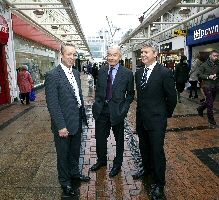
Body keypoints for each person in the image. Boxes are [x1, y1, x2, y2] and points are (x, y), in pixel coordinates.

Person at [45, 43, 90, 197]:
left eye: (74, 54)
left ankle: (74, 174)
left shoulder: (76, 73)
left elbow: (78, 96)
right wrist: (60, 126)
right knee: (63, 155)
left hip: (76, 120)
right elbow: (52, 103)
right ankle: (65, 182)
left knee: (74, 152)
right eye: (69, 54)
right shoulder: (53, 76)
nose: (72, 57)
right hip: (63, 124)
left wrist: (83, 116)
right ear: (62, 54)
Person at [134, 40, 177, 199]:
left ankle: (160, 183)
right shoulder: (139, 73)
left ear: (155, 54)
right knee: (144, 147)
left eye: (146, 52)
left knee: (157, 151)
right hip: (142, 119)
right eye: (142, 52)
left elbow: (172, 98)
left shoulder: (165, 73)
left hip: (157, 120)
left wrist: (164, 115)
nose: (143, 55)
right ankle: (147, 169)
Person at [90, 44, 135, 177]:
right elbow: (98, 89)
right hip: (102, 111)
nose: (111, 57)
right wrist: (97, 103)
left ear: (120, 57)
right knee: (100, 138)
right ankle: (102, 160)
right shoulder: (102, 70)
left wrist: (124, 109)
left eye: (114, 55)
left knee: (119, 140)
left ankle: (117, 164)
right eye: (109, 55)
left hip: (117, 112)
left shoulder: (127, 73)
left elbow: (131, 94)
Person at [197, 50, 219, 125]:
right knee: (210, 102)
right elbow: (199, 74)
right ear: (210, 56)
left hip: (215, 85)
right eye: (214, 55)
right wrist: (208, 77)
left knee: (210, 101)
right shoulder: (204, 65)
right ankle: (210, 117)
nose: (215, 57)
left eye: (217, 56)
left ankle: (200, 108)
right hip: (207, 85)